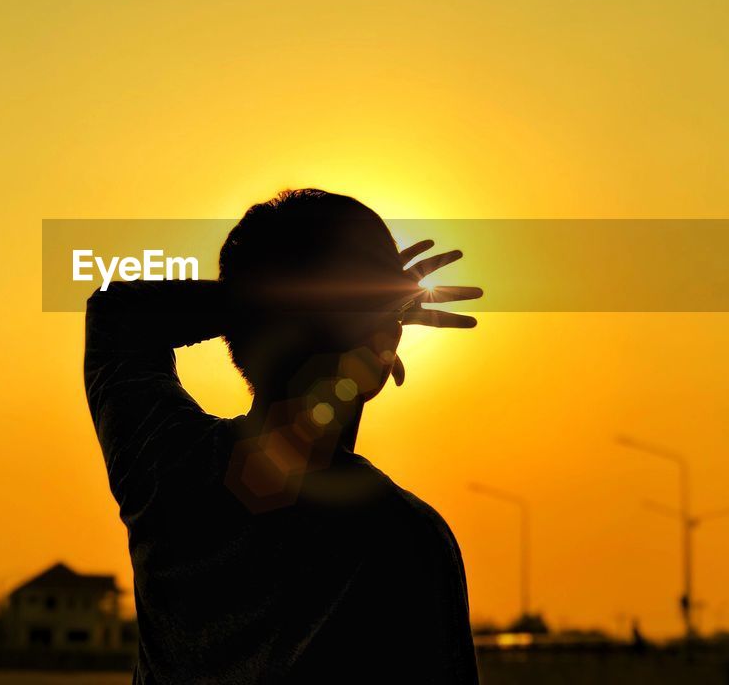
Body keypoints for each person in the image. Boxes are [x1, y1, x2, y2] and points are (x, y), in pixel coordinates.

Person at [84, 189, 481, 683]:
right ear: (386, 347)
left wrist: (285, 300)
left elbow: (117, 317)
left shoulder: (164, 470)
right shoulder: (405, 539)